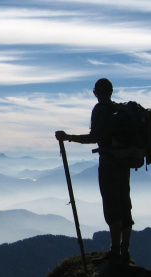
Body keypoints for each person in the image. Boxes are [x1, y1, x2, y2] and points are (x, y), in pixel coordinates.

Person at [55, 78, 133, 265]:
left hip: (109, 162)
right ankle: (125, 250)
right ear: (112, 91)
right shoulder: (119, 110)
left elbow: (95, 137)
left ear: (95, 92)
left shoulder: (101, 109)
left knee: (112, 205)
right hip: (125, 162)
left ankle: (115, 251)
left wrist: (69, 138)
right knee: (124, 203)